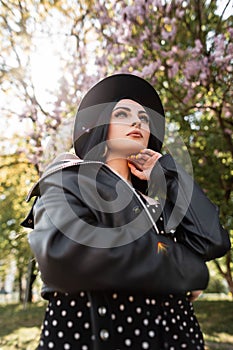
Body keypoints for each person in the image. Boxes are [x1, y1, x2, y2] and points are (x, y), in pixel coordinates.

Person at [22, 74, 230, 350]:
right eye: (122, 114)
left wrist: (169, 172)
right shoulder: (67, 178)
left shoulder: (159, 204)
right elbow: (65, 253)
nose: (138, 122)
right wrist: (188, 270)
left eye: (144, 118)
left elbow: (212, 240)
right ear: (101, 128)